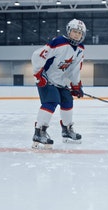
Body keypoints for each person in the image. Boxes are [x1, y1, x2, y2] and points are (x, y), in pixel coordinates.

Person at [30, 19, 86, 149]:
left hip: (61, 82)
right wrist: (39, 75)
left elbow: (75, 69)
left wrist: (76, 85)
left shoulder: (80, 49)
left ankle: (67, 130)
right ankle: (39, 132)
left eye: (79, 32)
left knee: (68, 101)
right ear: (68, 31)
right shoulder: (59, 42)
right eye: (74, 31)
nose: (77, 35)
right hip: (46, 79)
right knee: (51, 101)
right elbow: (37, 55)